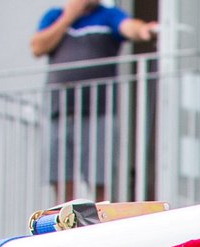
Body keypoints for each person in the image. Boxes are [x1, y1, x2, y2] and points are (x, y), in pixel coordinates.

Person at [31, 3, 158, 204]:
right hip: (59, 112)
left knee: (101, 179)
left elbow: (128, 26)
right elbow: (37, 47)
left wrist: (143, 30)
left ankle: (100, 222)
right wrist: (68, 17)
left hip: (98, 111)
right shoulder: (54, 15)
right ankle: (65, 224)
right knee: (61, 179)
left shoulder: (108, 15)